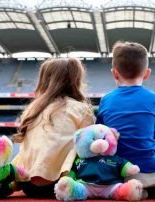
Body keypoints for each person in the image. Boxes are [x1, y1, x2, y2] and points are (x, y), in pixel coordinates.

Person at [12, 58, 94, 198]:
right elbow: (88, 149)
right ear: (76, 80)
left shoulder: (32, 108)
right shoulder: (82, 109)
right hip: (60, 184)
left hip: (27, 184)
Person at [96, 41, 155, 197]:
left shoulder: (106, 100)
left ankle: (129, 190)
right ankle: (148, 189)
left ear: (114, 73)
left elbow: (100, 136)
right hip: (150, 171)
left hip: (116, 173)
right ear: (147, 73)